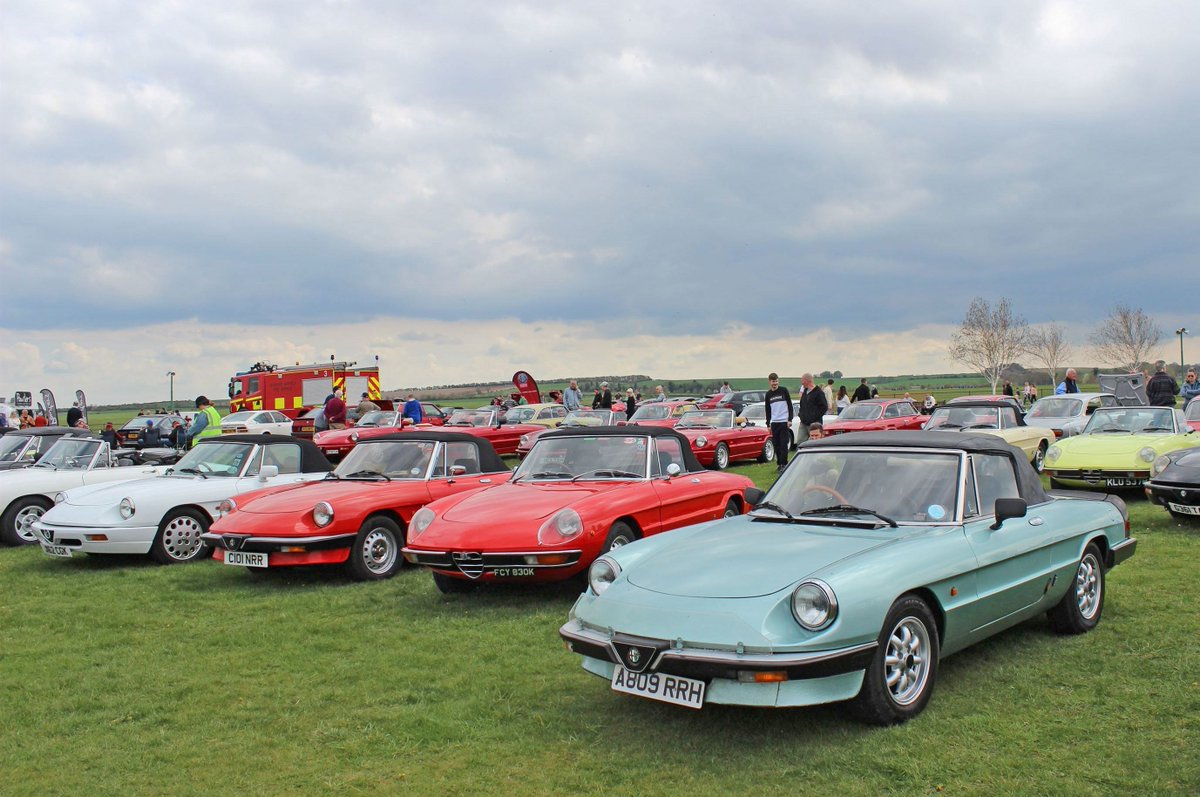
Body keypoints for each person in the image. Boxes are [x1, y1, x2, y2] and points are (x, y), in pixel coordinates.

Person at [764, 373, 793, 472]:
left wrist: (790, 419)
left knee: (783, 444)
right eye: (773, 381)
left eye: (776, 381)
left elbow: (789, 405)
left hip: (784, 421)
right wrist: (768, 424)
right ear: (769, 382)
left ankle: (784, 464)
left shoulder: (783, 390)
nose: (775, 383)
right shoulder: (768, 394)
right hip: (774, 422)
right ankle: (779, 463)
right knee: (776, 444)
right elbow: (768, 409)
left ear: (778, 381)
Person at [796, 373, 829, 445]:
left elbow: (824, 407)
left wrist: (814, 418)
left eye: (802, 381)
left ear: (807, 380)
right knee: (800, 442)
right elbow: (802, 404)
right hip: (803, 423)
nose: (801, 383)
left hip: (814, 424)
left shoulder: (819, 392)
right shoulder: (805, 391)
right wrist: (801, 415)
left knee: (815, 443)